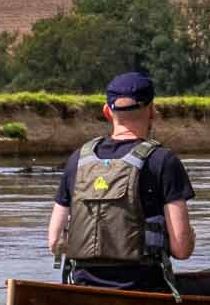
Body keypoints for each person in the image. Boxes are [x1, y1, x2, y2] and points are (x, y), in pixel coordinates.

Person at [47, 72, 196, 291]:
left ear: (107, 112)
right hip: (143, 291)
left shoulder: (78, 159)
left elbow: (54, 243)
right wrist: (190, 238)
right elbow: (181, 249)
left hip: (82, 289)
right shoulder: (163, 160)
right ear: (152, 110)